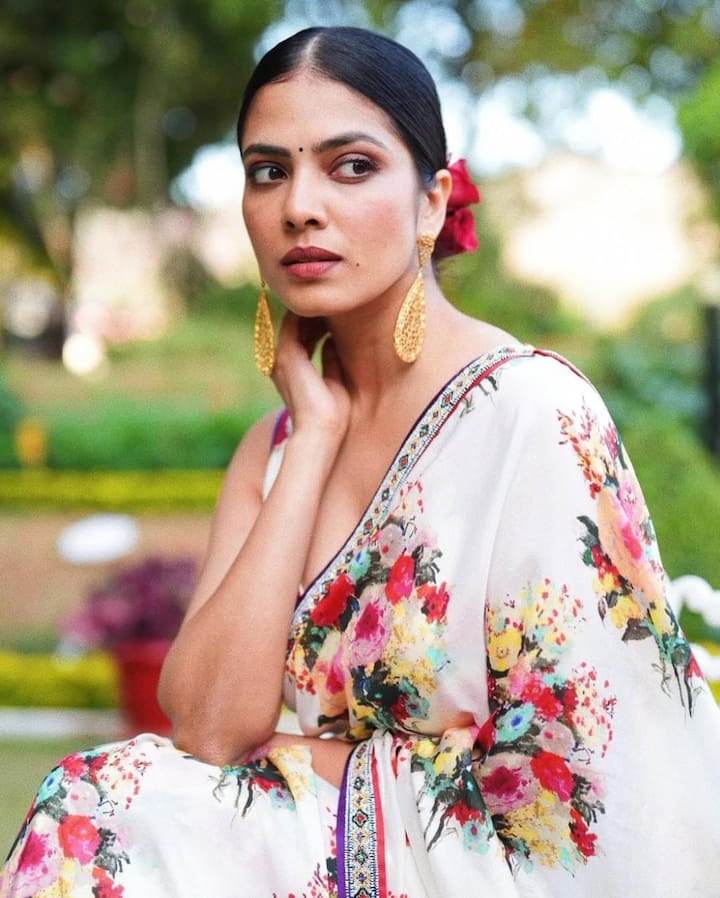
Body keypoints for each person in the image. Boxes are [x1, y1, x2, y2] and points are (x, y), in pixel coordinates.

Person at [2, 24, 720, 898]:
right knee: (92, 807)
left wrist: (313, 761)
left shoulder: (532, 415)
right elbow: (209, 729)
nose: (301, 204)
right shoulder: (271, 450)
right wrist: (312, 435)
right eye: (268, 171)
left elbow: (589, 793)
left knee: (105, 809)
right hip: (325, 853)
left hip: (488, 875)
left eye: (351, 167)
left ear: (432, 200)